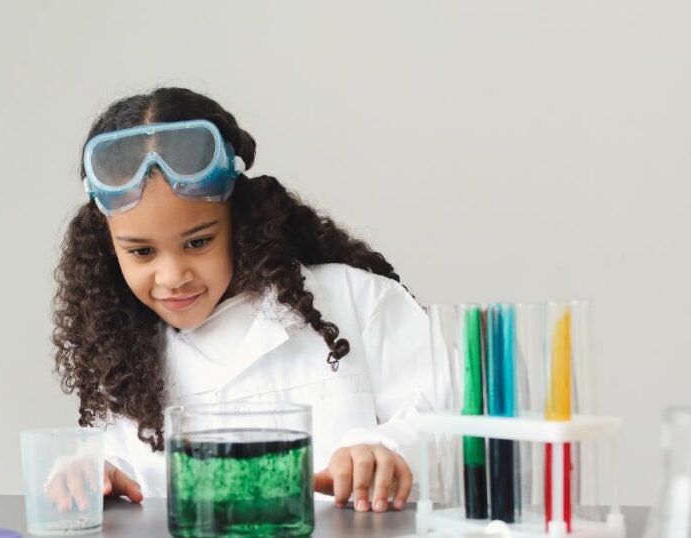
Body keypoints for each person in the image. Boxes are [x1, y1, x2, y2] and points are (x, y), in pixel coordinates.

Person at [51, 87, 439, 513]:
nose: (173, 277)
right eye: (141, 252)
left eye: (198, 242)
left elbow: (454, 419)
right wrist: (91, 471)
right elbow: (125, 474)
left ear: (239, 218)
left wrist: (385, 447)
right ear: (109, 248)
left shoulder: (356, 300)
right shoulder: (122, 360)